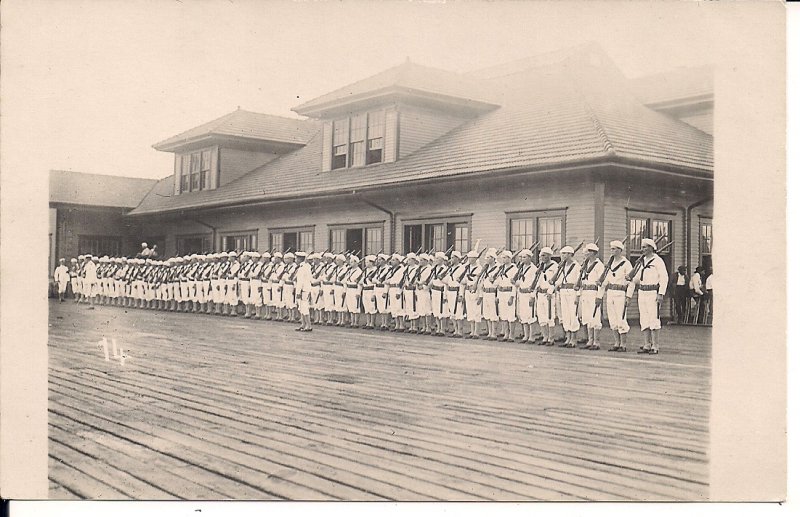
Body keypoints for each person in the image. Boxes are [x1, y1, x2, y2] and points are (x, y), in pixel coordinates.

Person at [627, 238, 669, 354]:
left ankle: (655, 345)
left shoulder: (658, 261)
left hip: (653, 293)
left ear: (651, 248)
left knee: (654, 319)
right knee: (644, 319)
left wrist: (661, 293)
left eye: (645, 247)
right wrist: (630, 279)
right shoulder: (642, 261)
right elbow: (637, 278)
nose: (643, 249)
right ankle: (647, 344)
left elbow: (664, 278)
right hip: (642, 292)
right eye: (642, 247)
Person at [599, 240, 633, 352]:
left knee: (621, 318)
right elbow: (606, 280)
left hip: (620, 293)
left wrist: (628, 296)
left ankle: (623, 344)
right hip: (611, 293)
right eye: (611, 249)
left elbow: (631, 281)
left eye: (614, 249)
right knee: (612, 319)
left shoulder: (626, 264)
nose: (612, 251)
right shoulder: (610, 264)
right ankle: (616, 342)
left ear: (620, 250)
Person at [578, 243, 603, 350]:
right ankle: (590, 340)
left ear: (593, 252)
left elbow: (602, 282)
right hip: (585, 292)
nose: (585, 254)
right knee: (587, 316)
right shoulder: (585, 265)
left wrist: (599, 296)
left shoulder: (599, 265)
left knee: (595, 317)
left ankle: (596, 341)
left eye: (587, 252)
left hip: (594, 292)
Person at [555, 246, 581, 348]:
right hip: (563, 291)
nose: (563, 256)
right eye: (562, 254)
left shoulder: (576, 266)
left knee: (572, 315)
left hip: (572, 292)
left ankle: (574, 339)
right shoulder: (562, 266)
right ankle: (568, 338)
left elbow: (579, 282)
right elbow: (559, 280)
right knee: (565, 315)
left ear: (570, 254)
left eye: (565, 254)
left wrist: (577, 296)